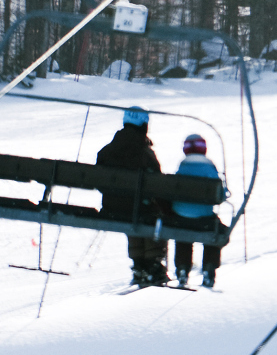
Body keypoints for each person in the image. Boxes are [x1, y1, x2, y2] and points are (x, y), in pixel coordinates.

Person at [96, 106, 168, 287]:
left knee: (133, 208)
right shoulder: (145, 153)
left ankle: (139, 265)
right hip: (140, 209)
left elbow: (98, 181)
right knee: (152, 212)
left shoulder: (107, 151)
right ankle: (152, 265)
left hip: (112, 208)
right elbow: (156, 184)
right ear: (144, 125)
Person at [170, 132, 228, 288]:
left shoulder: (183, 165)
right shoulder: (210, 166)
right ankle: (209, 268)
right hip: (204, 219)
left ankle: (182, 269)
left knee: (183, 233)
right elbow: (220, 196)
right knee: (216, 231)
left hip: (181, 218)